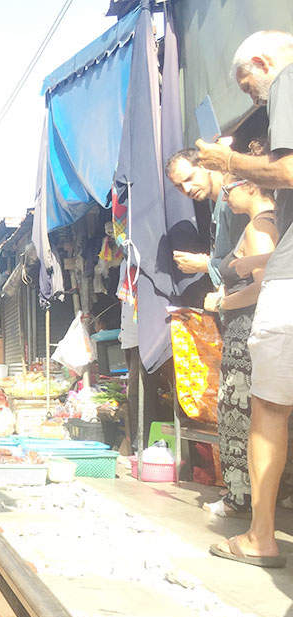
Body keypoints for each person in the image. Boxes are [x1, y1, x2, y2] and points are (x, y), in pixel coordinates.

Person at [196, 29, 293, 567]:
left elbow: (288, 170)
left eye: (249, 85)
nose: (255, 97)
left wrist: (226, 160)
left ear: (260, 62)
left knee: (270, 406)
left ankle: (260, 536)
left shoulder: (286, 80)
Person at [202, 173, 279, 517]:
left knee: (238, 414)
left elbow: (263, 286)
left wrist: (221, 304)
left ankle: (240, 497)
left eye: (230, 188)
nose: (226, 196)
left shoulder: (258, 229)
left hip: (246, 334)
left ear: (251, 186)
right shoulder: (269, 224)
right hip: (252, 331)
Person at [166, 149, 249, 281]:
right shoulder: (215, 203)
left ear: (206, 166)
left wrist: (205, 265)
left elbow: (248, 261)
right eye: (179, 186)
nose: (187, 189)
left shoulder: (235, 201)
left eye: (189, 178)